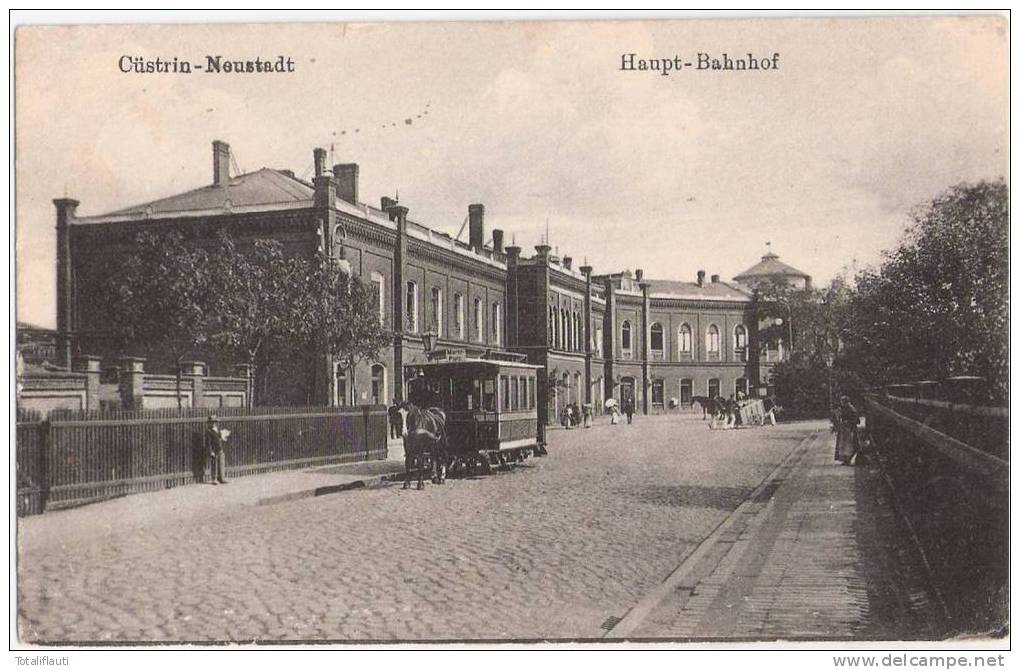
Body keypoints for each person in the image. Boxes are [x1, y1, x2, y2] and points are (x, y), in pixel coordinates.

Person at [833, 395, 861, 465]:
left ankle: (848, 459)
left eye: (842, 402)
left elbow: (857, 420)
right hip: (845, 429)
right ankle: (846, 460)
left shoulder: (851, 409)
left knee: (850, 445)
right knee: (845, 445)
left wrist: (848, 422)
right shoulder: (845, 408)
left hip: (850, 429)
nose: (841, 403)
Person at [205, 415, 228, 485]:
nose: (213, 424)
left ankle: (222, 478)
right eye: (212, 422)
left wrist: (223, 436)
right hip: (214, 450)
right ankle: (214, 479)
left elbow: (220, 438)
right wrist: (211, 451)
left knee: (221, 463)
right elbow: (208, 442)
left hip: (220, 448)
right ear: (209, 423)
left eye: (215, 422)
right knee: (214, 464)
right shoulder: (208, 431)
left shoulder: (217, 429)